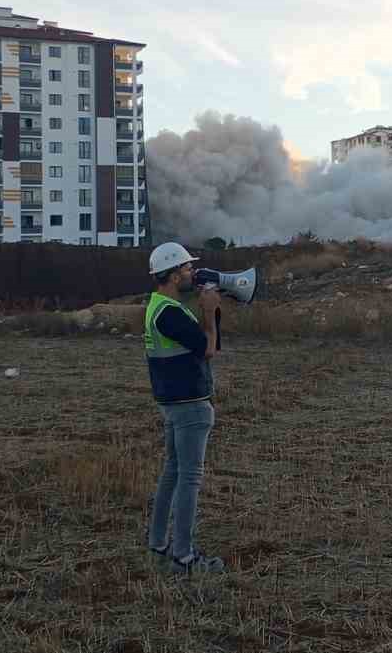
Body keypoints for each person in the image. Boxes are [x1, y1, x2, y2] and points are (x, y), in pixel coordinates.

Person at [143, 241, 225, 575]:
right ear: (175, 275)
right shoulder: (171, 313)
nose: (193, 273)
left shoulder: (157, 306)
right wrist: (210, 312)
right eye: (188, 268)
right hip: (189, 403)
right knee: (189, 478)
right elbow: (208, 348)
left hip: (172, 401)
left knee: (173, 471)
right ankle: (183, 557)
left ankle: (158, 543)